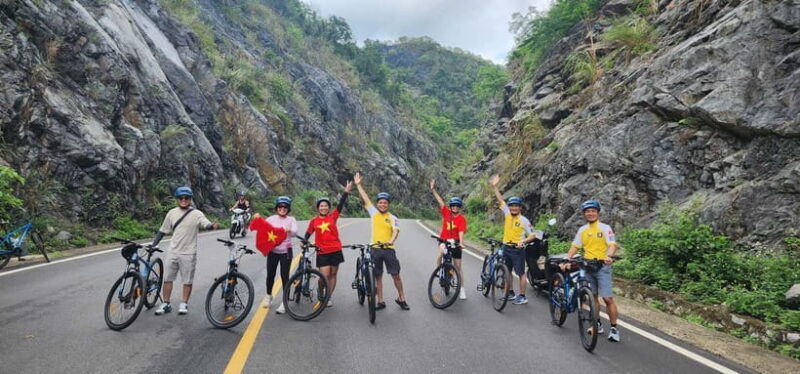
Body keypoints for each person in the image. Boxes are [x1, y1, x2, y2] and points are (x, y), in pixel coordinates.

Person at [152, 186, 219, 316]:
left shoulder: (196, 214)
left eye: (186, 198)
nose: (184, 200)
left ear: (190, 199)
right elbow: (162, 230)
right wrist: (154, 244)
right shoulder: (171, 213)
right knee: (167, 279)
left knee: (187, 280)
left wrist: (211, 226)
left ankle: (184, 302)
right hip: (173, 251)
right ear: (177, 199)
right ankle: (166, 303)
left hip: (189, 252)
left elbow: (206, 223)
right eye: (181, 198)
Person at [564, 200, 620, 342]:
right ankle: (598, 325)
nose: (590, 213)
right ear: (584, 214)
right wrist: (567, 259)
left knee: (607, 298)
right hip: (587, 266)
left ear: (598, 213)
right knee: (593, 297)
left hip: (602, 266)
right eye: (587, 211)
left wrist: (609, 256)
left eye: (593, 211)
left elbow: (612, 244)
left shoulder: (605, 228)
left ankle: (614, 328)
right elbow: (575, 246)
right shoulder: (582, 230)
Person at [353, 172, 409, 310]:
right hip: (375, 248)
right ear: (377, 204)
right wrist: (358, 185)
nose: (382, 205)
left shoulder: (392, 217)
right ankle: (381, 301)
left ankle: (402, 298)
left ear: (388, 204)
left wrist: (390, 241)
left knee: (395, 275)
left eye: (385, 203)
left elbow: (396, 230)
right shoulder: (373, 213)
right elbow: (366, 199)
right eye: (380, 202)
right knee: (378, 276)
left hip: (388, 249)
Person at [489, 175, 536, 305]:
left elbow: (533, 235)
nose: (513, 208)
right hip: (506, 247)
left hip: (517, 250)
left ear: (520, 207)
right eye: (511, 206)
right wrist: (494, 187)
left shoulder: (524, 220)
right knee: (507, 270)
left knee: (520, 273)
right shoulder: (507, 214)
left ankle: (522, 296)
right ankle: (510, 292)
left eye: (516, 206)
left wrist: (524, 241)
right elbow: (500, 199)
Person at [304, 182, 353, 308]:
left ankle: (328, 296)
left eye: (326, 206)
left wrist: (346, 191)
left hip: (335, 249)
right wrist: (303, 241)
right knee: (323, 276)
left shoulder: (333, 216)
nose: (323, 208)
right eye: (321, 206)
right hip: (322, 251)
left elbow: (341, 205)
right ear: (318, 208)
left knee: (333, 274)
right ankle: (321, 292)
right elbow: (308, 232)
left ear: (328, 208)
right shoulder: (314, 221)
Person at [429, 179, 468, 300]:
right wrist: (433, 189)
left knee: (458, 267)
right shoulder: (446, 213)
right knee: (441, 252)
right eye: (453, 205)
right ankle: (440, 270)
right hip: (444, 240)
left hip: (456, 243)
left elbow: (461, 231)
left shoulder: (462, 219)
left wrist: (461, 243)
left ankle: (461, 289)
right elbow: (440, 202)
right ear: (450, 207)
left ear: (459, 207)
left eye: (457, 206)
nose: (455, 207)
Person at [259, 196, 297, 314]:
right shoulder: (271, 219)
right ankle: (268, 296)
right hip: (273, 251)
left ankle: (284, 302)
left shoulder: (291, 219)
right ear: (277, 208)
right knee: (270, 274)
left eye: (285, 207)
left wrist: (289, 230)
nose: (283, 209)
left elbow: (295, 233)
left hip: (286, 251)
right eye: (280, 206)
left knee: (285, 276)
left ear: (288, 209)